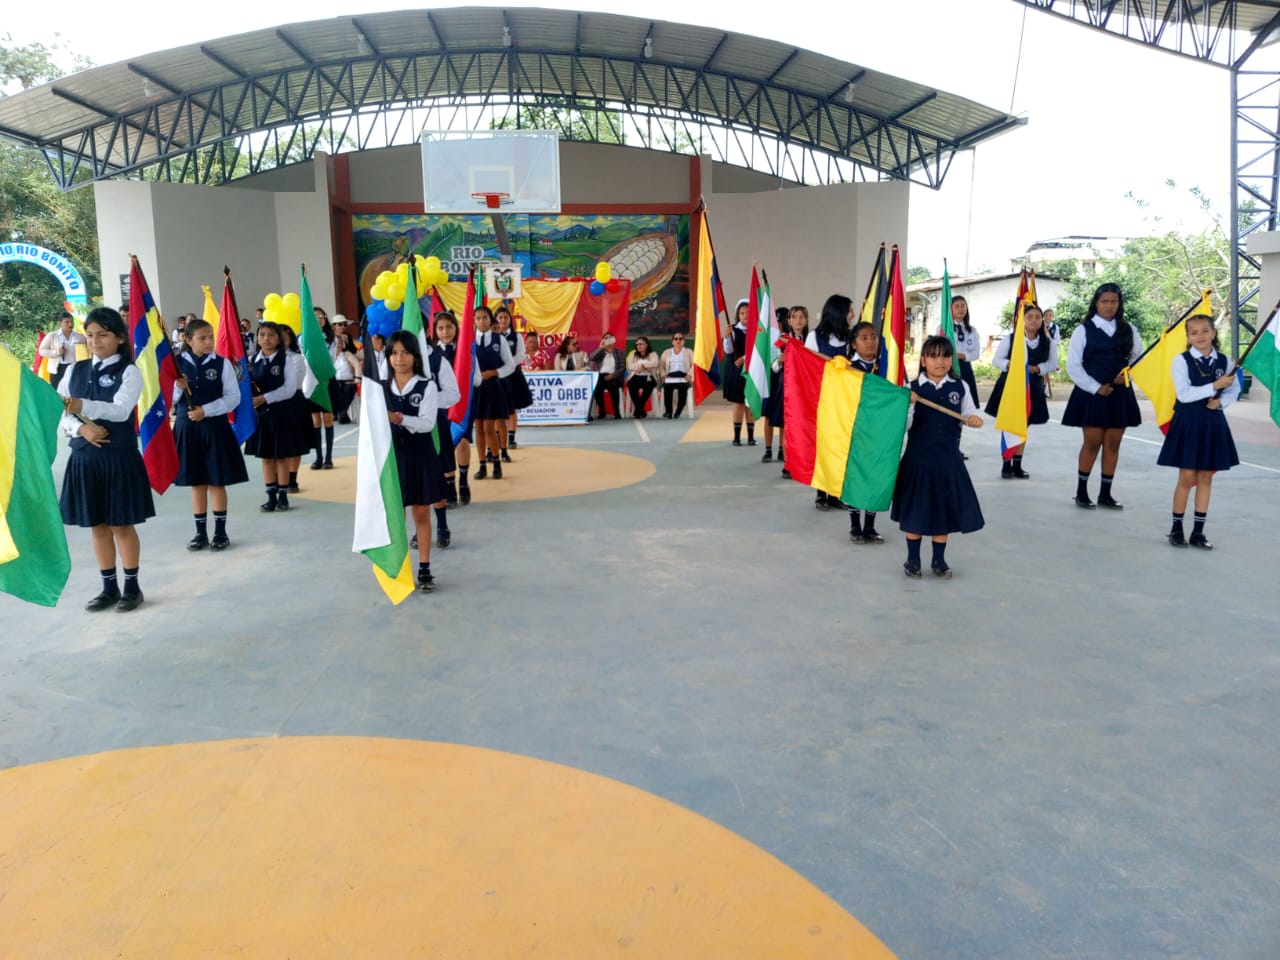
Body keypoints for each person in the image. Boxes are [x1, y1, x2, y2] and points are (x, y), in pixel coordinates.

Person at [57, 307, 156, 612]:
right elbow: (61, 412)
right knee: (97, 525)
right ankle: (108, 587)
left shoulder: (129, 372)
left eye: (103, 334)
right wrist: (81, 429)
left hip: (117, 458)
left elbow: (121, 410)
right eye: (90, 335)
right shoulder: (74, 370)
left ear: (120, 338)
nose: (95, 341)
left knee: (121, 525)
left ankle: (132, 587)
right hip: (85, 458)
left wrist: (83, 406)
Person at [891, 335, 985, 579]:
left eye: (945, 356)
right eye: (933, 356)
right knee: (916, 512)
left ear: (951, 360)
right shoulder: (911, 389)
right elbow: (903, 426)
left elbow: (969, 412)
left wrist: (973, 419)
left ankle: (939, 560)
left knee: (942, 512)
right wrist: (910, 404)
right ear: (923, 360)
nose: (940, 362)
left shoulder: (960, 386)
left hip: (948, 461)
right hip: (918, 462)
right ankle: (913, 559)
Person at [1156, 311, 1240, 549]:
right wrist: (1214, 386)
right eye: (1194, 332)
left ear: (1214, 333)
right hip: (1189, 422)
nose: (1200, 336)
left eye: (1205, 331)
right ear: (1188, 336)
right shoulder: (1181, 361)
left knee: (1205, 477)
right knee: (1186, 477)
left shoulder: (1226, 362)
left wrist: (1220, 402)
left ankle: (1198, 532)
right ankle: (1176, 529)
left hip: (1212, 423)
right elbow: (1184, 394)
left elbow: (1234, 389)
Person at [1062, 282, 1143, 509]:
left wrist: (1125, 376)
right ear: (1096, 303)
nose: (1109, 306)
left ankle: (1105, 493)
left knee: (1113, 444)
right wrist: (1096, 387)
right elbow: (1073, 366)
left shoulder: (1129, 329)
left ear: (1119, 303)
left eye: (1113, 302)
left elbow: (1138, 359)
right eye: (1104, 301)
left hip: (1119, 394)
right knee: (1092, 443)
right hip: (1093, 395)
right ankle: (1081, 492)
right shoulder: (1083, 330)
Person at [172, 317, 249, 550]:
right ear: (188, 340)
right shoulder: (175, 364)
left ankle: (220, 532)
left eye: (210, 337)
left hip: (215, 428)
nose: (208, 342)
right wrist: (178, 387)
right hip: (188, 429)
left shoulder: (222, 364)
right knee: (197, 483)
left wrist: (206, 411)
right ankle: (200, 533)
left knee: (216, 481)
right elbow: (167, 400)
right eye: (202, 338)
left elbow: (233, 398)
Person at [384, 331, 448, 591]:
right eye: (394, 353)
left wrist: (399, 418)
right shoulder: (380, 388)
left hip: (420, 455)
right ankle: (399, 567)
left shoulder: (426, 386)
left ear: (415, 356)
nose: (399, 358)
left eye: (405, 352)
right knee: (394, 515)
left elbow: (427, 424)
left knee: (421, 512)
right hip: (392, 458)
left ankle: (424, 567)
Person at [984, 302, 1056, 479]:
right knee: (1010, 424)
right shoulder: (1011, 339)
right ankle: (1006, 464)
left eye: (1037, 317)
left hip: (1032, 386)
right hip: (1011, 385)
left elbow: (1052, 363)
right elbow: (997, 360)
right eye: (1029, 317)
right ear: (1022, 320)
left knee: (1024, 426)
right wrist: (1013, 365)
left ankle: (1017, 465)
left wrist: (1038, 368)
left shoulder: (1048, 342)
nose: (1034, 320)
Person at [243, 321, 302, 512]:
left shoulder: (286, 360)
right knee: (266, 457)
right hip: (261, 416)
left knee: (281, 456)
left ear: (278, 339)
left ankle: (283, 495)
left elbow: (289, 389)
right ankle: (270, 496)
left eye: (270, 335)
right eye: (262, 335)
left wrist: (264, 398)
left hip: (281, 414)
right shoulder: (251, 361)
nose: (266, 339)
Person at [806, 295, 853, 509]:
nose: (852, 314)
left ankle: (836, 493)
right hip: (823, 400)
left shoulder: (852, 338)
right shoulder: (814, 337)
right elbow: (808, 367)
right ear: (838, 313)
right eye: (849, 310)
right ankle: (821, 493)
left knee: (841, 446)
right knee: (823, 447)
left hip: (846, 401)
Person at [845, 320, 886, 544]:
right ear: (854, 344)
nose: (870, 342)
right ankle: (855, 525)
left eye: (873, 337)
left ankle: (870, 526)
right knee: (856, 477)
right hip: (857, 431)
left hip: (880, 430)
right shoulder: (848, 369)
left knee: (875, 476)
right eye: (864, 338)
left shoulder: (887, 365)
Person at [421, 319, 462, 538]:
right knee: (417, 478)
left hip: (436, 421)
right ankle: (421, 527)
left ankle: (442, 525)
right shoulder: (398, 358)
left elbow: (453, 394)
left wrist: (427, 399)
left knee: (436, 474)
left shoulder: (437, 359)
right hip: (408, 426)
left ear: (426, 331)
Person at [471, 305, 513, 479]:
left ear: (490, 320)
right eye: (478, 318)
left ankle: (496, 463)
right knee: (478, 428)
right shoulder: (469, 340)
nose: (482, 321)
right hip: (476, 389)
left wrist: (495, 372)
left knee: (489, 427)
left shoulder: (499, 339)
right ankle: (482, 465)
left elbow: (510, 365)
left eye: (485, 317)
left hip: (493, 387)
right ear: (474, 321)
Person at [432, 311, 469, 504]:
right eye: (440, 328)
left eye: (449, 327)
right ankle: (449, 487)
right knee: (444, 447)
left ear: (456, 328)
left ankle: (463, 480)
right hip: (440, 407)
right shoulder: (431, 353)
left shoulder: (464, 350)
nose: (445, 332)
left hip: (462, 404)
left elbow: (476, 378)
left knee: (462, 440)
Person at [277, 324, 311, 490]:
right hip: (273, 405)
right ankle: (276, 479)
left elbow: (293, 383)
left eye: (286, 337)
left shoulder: (296, 358)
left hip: (293, 403)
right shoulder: (262, 359)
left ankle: (292, 478)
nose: (282, 340)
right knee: (276, 444)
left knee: (295, 443)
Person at [496, 306, 533, 455]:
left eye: (506, 317)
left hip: (513, 376)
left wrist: (508, 366)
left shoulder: (516, 336)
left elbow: (520, 355)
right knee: (497, 409)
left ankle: (511, 437)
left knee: (512, 408)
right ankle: (498, 438)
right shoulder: (493, 336)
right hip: (497, 376)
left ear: (509, 320)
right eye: (500, 317)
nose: (503, 320)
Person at [759, 306, 790, 462]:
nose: (777, 324)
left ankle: (781, 449)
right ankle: (768, 449)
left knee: (784, 417)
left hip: (785, 382)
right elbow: (772, 363)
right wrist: (778, 362)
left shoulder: (789, 338)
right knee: (768, 415)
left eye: (779, 321)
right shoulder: (772, 339)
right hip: (771, 380)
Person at [722, 299, 756, 445]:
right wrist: (727, 337)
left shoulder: (758, 330)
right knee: (738, 403)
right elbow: (728, 350)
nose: (745, 315)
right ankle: (736, 437)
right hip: (736, 371)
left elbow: (758, 350)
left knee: (750, 403)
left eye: (748, 312)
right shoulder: (733, 330)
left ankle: (751, 437)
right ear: (738, 315)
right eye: (742, 313)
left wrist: (745, 358)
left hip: (752, 370)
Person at [309, 314, 338, 470]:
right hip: (312, 381)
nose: (318, 319)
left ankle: (328, 457)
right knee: (315, 421)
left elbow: (330, 359)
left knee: (328, 419)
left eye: (321, 316)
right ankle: (318, 457)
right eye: (315, 317)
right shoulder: (304, 338)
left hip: (326, 380)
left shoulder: (332, 339)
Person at [38, 311, 86, 390]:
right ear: (60, 323)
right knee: (57, 392)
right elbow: (42, 351)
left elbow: (88, 348)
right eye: (67, 322)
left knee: (73, 390)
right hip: (57, 369)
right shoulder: (52, 336)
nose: (70, 324)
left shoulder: (79, 336)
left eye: (72, 322)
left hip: (73, 367)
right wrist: (56, 352)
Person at [951, 295, 982, 406]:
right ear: (950, 309)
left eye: (963, 306)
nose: (961, 309)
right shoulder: (943, 328)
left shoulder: (972, 330)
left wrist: (964, 356)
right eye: (957, 306)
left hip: (965, 367)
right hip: (949, 367)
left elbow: (976, 353)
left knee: (968, 400)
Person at [329, 315, 359, 424]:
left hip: (346, 372)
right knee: (333, 387)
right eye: (340, 324)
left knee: (350, 387)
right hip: (332, 374)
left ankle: (341, 413)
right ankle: (341, 413)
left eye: (344, 325)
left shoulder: (347, 336)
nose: (343, 327)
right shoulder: (328, 338)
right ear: (334, 326)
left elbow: (354, 352)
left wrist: (347, 343)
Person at [590, 331, 626, 421]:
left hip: (614, 376)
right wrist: (600, 348)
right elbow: (591, 357)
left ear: (613, 340)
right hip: (601, 375)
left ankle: (616, 412)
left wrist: (613, 375)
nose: (608, 340)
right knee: (597, 387)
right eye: (605, 338)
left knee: (613, 386)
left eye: (610, 338)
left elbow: (622, 367)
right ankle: (602, 411)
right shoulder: (601, 352)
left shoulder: (619, 352)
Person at [659, 331, 694, 419]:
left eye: (680, 339)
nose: (678, 341)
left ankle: (678, 411)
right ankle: (668, 411)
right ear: (672, 342)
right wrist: (663, 375)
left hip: (684, 376)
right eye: (676, 339)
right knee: (667, 388)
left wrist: (689, 375)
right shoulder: (667, 352)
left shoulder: (689, 352)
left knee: (683, 390)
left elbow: (695, 365)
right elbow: (661, 365)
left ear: (683, 341)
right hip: (670, 376)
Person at [626, 336, 659, 418]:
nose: (639, 346)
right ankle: (640, 410)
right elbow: (630, 366)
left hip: (648, 377)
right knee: (631, 386)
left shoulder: (653, 354)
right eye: (637, 344)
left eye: (641, 344)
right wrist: (640, 367)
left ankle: (638, 409)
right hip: (636, 376)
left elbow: (655, 363)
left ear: (646, 345)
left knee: (649, 387)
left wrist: (643, 365)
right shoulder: (634, 355)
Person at [1042, 308, 1061, 397]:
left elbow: (1057, 340)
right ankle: (1040, 389)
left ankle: (1043, 389)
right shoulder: (1040, 325)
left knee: (1046, 369)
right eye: (1046, 315)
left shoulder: (1055, 327)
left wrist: (1049, 339)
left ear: (1053, 317)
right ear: (1043, 316)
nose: (1048, 317)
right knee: (1041, 369)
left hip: (1051, 349)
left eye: (1050, 315)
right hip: (1041, 349)